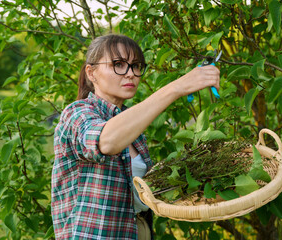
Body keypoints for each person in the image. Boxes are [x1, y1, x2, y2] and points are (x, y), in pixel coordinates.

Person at [51, 33, 220, 240]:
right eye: (118, 64)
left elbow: (141, 194)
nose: (130, 73)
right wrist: (176, 88)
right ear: (91, 72)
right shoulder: (76, 114)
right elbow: (106, 141)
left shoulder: (133, 128)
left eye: (136, 66)